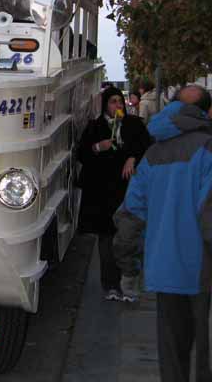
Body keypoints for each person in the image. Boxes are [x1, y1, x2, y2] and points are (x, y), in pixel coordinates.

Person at [114, 84, 212, 382]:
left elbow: (130, 214)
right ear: (206, 112)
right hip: (202, 272)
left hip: (164, 269)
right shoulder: (208, 150)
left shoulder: (152, 154)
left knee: (172, 357)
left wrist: (128, 268)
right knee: (204, 359)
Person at [77, 86, 151, 301]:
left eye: (120, 101)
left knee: (128, 236)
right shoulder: (95, 126)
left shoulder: (134, 125)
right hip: (102, 191)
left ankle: (127, 282)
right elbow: (82, 153)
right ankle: (110, 284)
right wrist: (98, 147)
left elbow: (146, 146)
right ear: (105, 105)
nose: (117, 105)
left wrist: (132, 157)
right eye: (113, 102)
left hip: (126, 188)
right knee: (107, 238)